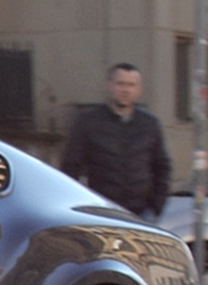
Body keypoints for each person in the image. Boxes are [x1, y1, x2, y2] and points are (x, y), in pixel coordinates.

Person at [59, 61, 173, 219]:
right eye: (121, 84)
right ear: (109, 85)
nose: (126, 90)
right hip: (102, 211)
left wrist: (156, 207)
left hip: (142, 213)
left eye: (131, 85)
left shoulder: (149, 124)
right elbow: (71, 166)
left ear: (139, 89)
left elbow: (162, 166)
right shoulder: (88, 121)